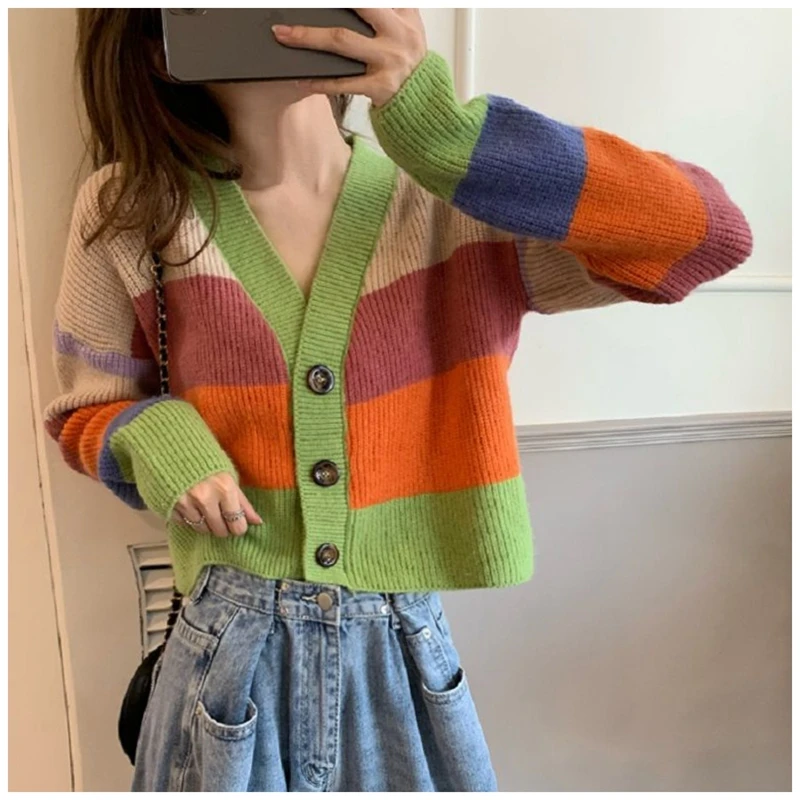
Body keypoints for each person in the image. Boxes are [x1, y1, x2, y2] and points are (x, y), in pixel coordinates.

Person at [44, 8, 752, 793]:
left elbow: (708, 235)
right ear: (159, 44)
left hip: (402, 655)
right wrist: (158, 436)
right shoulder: (133, 209)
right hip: (223, 655)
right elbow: (85, 411)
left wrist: (446, 135)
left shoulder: (461, 206)